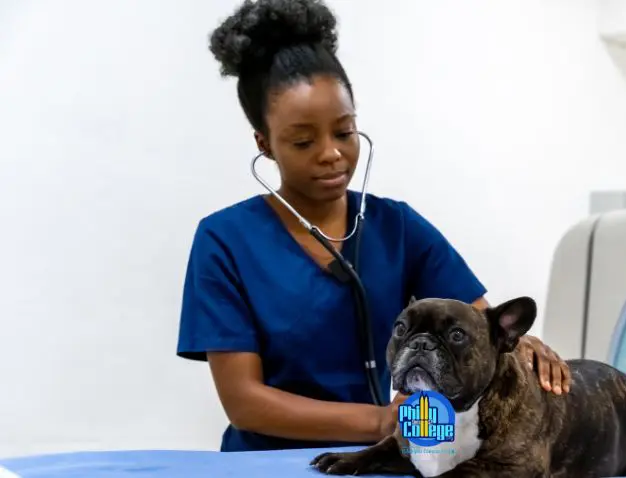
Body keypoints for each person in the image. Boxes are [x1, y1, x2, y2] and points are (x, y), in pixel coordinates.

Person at [176, 0, 571, 453]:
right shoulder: (224, 241)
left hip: (373, 459)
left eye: (344, 132)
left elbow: (478, 323)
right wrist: (382, 420)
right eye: (303, 141)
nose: (331, 153)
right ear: (264, 144)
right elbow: (244, 403)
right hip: (265, 463)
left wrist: (519, 345)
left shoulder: (397, 227)